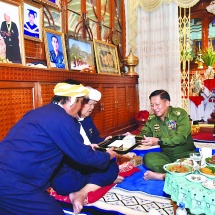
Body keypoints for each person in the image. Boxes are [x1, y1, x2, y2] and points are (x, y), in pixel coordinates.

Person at [0, 81, 118, 215]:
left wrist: (86, 147)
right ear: (72, 100)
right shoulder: (63, 119)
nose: (80, 107)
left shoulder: (38, 112)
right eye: (81, 102)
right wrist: (109, 155)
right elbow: (86, 158)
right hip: (14, 182)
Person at [51, 84, 123, 203]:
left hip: (88, 160)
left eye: (94, 105)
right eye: (89, 104)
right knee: (64, 183)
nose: (91, 108)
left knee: (111, 166)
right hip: (71, 164)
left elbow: (94, 139)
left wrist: (106, 141)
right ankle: (97, 181)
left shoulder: (87, 119)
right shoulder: (67, 121)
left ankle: (82, 192)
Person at [140, 90, 196, 180]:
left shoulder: (180, 114)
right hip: (167, 157)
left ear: (167, 103)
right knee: (148, 158)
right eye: (152, 105)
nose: (154, 108)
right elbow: (143, 135)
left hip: (186, 155)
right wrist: (130, 137)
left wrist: (159, 141)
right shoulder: (152, 120)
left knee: (197, 166)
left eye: (157, 104)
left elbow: (181, 138)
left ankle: (162, 176)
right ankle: (176, 173)